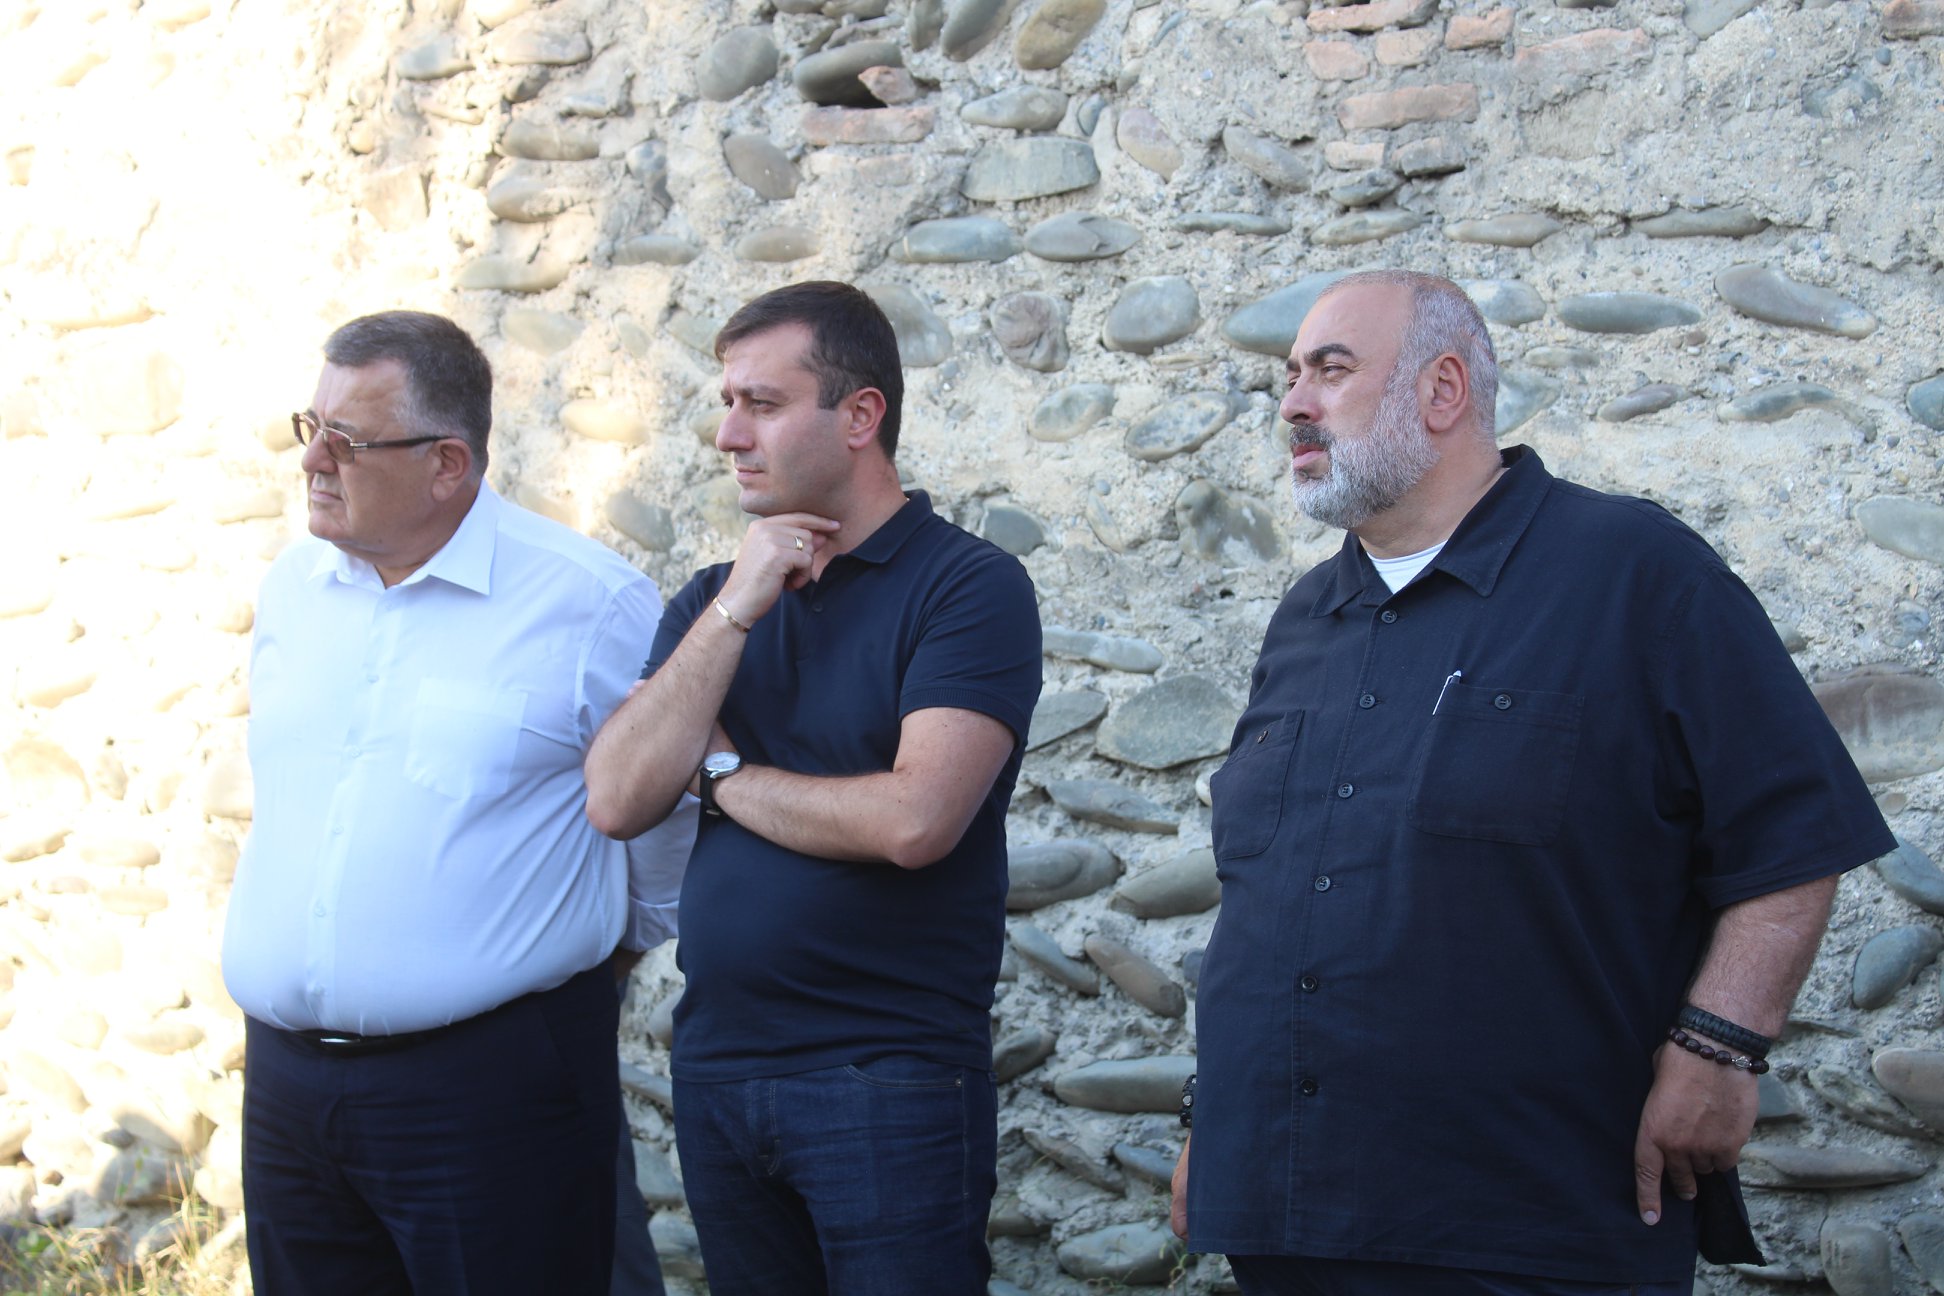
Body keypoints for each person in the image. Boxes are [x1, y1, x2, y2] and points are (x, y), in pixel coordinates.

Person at [1168, 271, 1893, 1295]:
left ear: (1442, 390)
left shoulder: (1634, 571)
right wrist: (1212, 1119)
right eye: (1288, 377)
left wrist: (1721, 1047)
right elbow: (1266, 905)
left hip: (1532, 1220)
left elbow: (1794, 836)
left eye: (1329, 369)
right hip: (1286, 1214)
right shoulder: (1304, 619)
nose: (1293, 403)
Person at [221, 310, 696, 1296]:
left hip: (492, 1088)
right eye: (310, 426)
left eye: (346, 440)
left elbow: (669, 801)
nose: (311, 461)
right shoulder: (294, 586)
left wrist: (616, 945)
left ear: (447, 464)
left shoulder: (589, 601)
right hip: (288, 1091)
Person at [584, 280, 1042, 1295]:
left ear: (860, 415)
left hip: (886, 1078)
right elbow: (616, 797)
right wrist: (737, 608)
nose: (728, 434)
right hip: (718, 1069)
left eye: (762, 403)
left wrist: (722, 773)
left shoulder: (969, 587)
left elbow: (915, 820)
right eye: (727, 402)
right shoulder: (713, 601)